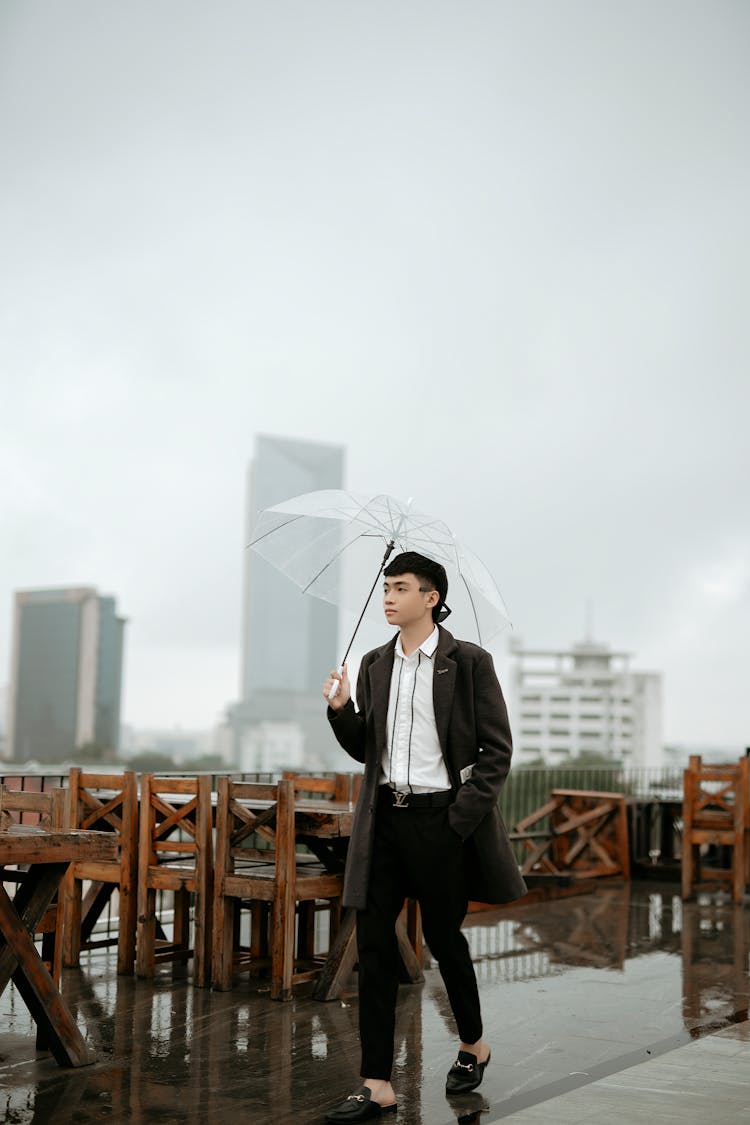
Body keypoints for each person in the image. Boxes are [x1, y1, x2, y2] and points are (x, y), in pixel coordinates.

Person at [321, 551, 527, 1123]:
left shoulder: (469, 663)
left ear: (430, 597)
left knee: (443, 937)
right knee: (375, 946)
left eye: (401, 587)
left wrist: (457, 823)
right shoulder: (372, 664)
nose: (388, 596)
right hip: (383, 822)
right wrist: (342, 711)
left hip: (442, 823)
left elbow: (496, 752)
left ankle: (473, 1044)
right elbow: (370, 748)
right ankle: (377, 1083)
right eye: (385, 586)